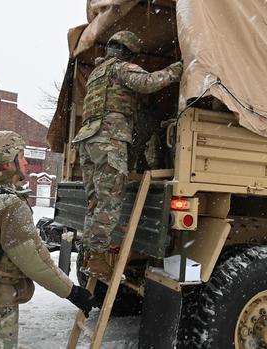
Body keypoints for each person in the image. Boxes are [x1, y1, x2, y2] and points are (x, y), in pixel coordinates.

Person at [0, 130, 96, 349]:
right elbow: (33, 261)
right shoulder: (9, 206)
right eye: (21, 156)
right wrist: (73, 292)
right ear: (7, 163)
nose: (25, 162)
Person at [72, 30, 183, 280]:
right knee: (110, 202)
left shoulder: (96, 74)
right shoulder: (120, 68)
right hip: (108, 139)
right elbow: (148, 83)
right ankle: (99, 259)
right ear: (128, 52)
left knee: (95, 203)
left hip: (86, 140)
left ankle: (91, 255)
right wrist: (177, 69)